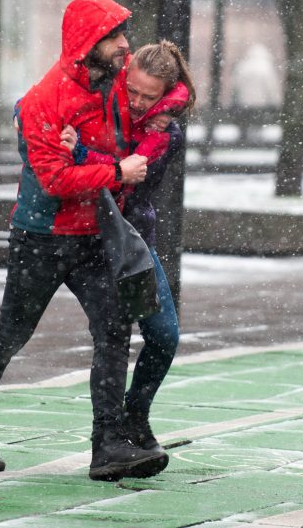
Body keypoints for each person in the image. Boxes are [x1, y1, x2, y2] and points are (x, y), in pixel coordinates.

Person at [0, 0, 167, 482]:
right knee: (12, 333)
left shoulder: (115, 78)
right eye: (113, 36)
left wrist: (162, 113)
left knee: (113, 328)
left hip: (92, 235)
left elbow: (165, 85)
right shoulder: (45, 100)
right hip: (41, 237)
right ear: (87, 42)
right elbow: (55, 179)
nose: (123, 44)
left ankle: (108, 444)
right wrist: (116, 171)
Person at [60, 41, 195, 457]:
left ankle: (136, 412)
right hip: (76, 234)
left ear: (166, 94)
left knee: (163, 335)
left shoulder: (166, 131)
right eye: (133, 90)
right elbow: (45, 108)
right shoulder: (101, 95)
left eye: (148, 97)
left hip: (131, 240)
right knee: (18, 330)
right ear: (126, 74)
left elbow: (133, 180)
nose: (137, 102)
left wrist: (84, 154)